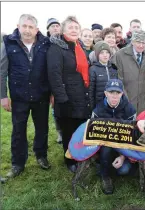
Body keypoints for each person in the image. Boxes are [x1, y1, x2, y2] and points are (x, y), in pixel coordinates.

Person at [1, 14, 51, 178]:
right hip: (19, 96)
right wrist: (3, 95)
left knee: (42, 128)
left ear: (36, 30)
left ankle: (41, 155)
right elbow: (2, 71)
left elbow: (50, 71)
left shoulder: (45, 43)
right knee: (18, 130)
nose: (28, 30)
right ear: (18, 26)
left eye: (31, 27)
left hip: (41, 95)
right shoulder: (8, 43)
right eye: (25, 26)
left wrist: (52, 94)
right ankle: (17, 163)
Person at [47, 16, 92, 173]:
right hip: (66, 98)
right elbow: (54, 75)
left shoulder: (78, 46)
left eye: (76, 28)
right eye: (70, 27)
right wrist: (62, 99)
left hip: (81, 96)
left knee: (80, 129)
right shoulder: (57, 48)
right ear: (63, 30)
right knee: (69, 131)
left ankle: (81, 156)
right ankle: (69, 159)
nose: (74, 30)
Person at [91, 78, 136, 195]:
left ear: (122, 93)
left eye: (118, 93)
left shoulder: (130, 110)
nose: (114, 96)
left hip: (122, 147)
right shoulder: (98, 110)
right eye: (111, 93)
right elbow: (92, 135)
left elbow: (132, 137)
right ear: (105, 93)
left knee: (124, 170)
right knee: (106, 149)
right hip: (104, 147)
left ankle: (108, 166)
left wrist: (122, 157)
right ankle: (105, 176)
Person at [114, 30, 145, 115]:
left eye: (143, 43)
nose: (141, 45)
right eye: (138, 42)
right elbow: (118, 80)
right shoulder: (120, 55)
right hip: (126, 101)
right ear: (132, 42)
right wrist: (125, 100)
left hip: (144, 104)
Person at [46, 17, 62, 144]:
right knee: (54, 109)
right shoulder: (45, 44)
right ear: (48, 29)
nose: (56, 28)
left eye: (57, 25)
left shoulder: (64, 42)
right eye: (53, 26)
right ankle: (59, 132)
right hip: (50, 81)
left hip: (65, 80)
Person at [89, 41, 118, 110]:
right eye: (101, 53)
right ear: (97, 55)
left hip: (113, 104)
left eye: (107, 52)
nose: (105, 55)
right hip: (99, 105)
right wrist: (92, 108)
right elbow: (91, 91)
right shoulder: (93, 69)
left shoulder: (114, 68)